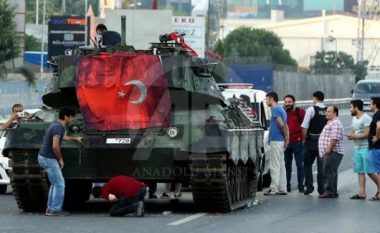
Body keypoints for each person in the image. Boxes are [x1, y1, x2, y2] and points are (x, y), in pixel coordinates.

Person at [38, 107, 82, 216]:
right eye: (71, 117)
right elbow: (55, 146)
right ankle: (55, 209)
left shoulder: (57, 126)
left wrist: (75, 138)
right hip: (48, 158)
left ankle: (50, 208)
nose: (72, 120)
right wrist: (61, 159)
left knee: (54, 183)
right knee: (60, 184)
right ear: (66, 117)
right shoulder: (57, 127)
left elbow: (64, 137)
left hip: (44, 157)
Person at [347, 99, 377, 200]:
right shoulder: (354, 118)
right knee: (360, 171)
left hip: (366, 147)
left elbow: (367, 133)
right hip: (357, 148)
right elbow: (354, 131)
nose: (349, 109)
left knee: (369, 171)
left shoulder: (366, 118)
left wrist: (355, 136)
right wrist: (351, 135)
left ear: (356, 107)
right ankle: (362, 193)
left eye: (351, 107)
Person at [301, 91, 327, 195]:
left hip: (312, 139)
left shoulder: (311, 109)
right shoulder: (328, 110)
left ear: (315, 98)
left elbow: (304, 126)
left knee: (307, 164)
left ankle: (309, 187)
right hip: (324, 140)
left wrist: (304, 138)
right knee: (321, 166)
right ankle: (321, 189)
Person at [264, 92, 289, 196]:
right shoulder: (281, 109)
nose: (266, 101)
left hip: (276, 141)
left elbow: (282, 125)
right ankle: (282, 188)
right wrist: (286, 139)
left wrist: (285, 137)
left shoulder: (275, 110)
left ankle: (274, 189)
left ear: (271, 99)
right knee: (281, 166)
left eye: (267, 99)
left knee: (274, 166)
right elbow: (286, 126)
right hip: (280, 141)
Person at [318, 106, 344, 198]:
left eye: (329, 111)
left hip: (332, 152)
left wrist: (328, 150)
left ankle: (329, 191)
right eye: (326, 111)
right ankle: (333, 192)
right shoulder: (331, 122)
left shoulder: (336, 123)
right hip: (330, 152)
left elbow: (334, 138)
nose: (326, 113)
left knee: (328, 172)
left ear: (335, 113)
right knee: (331, 172)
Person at [283, 94, 305, 193]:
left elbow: (305, 125)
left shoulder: (300, 112)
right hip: (287, 142)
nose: (287, 104)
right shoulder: (283, 113)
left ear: (294, 102)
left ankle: (301, 185)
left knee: (299, 164)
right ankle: (287, 185)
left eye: (289, 102)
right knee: (287, 164)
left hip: (298, 141)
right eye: (286, 102)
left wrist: (303, 139)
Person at [367, 97, 380, 200]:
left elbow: (379, 126)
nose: (369, 105)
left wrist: (377, 137)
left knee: (379, 171)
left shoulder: (377, 115)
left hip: (376, 147)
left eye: (370, 103)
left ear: (375, 105)